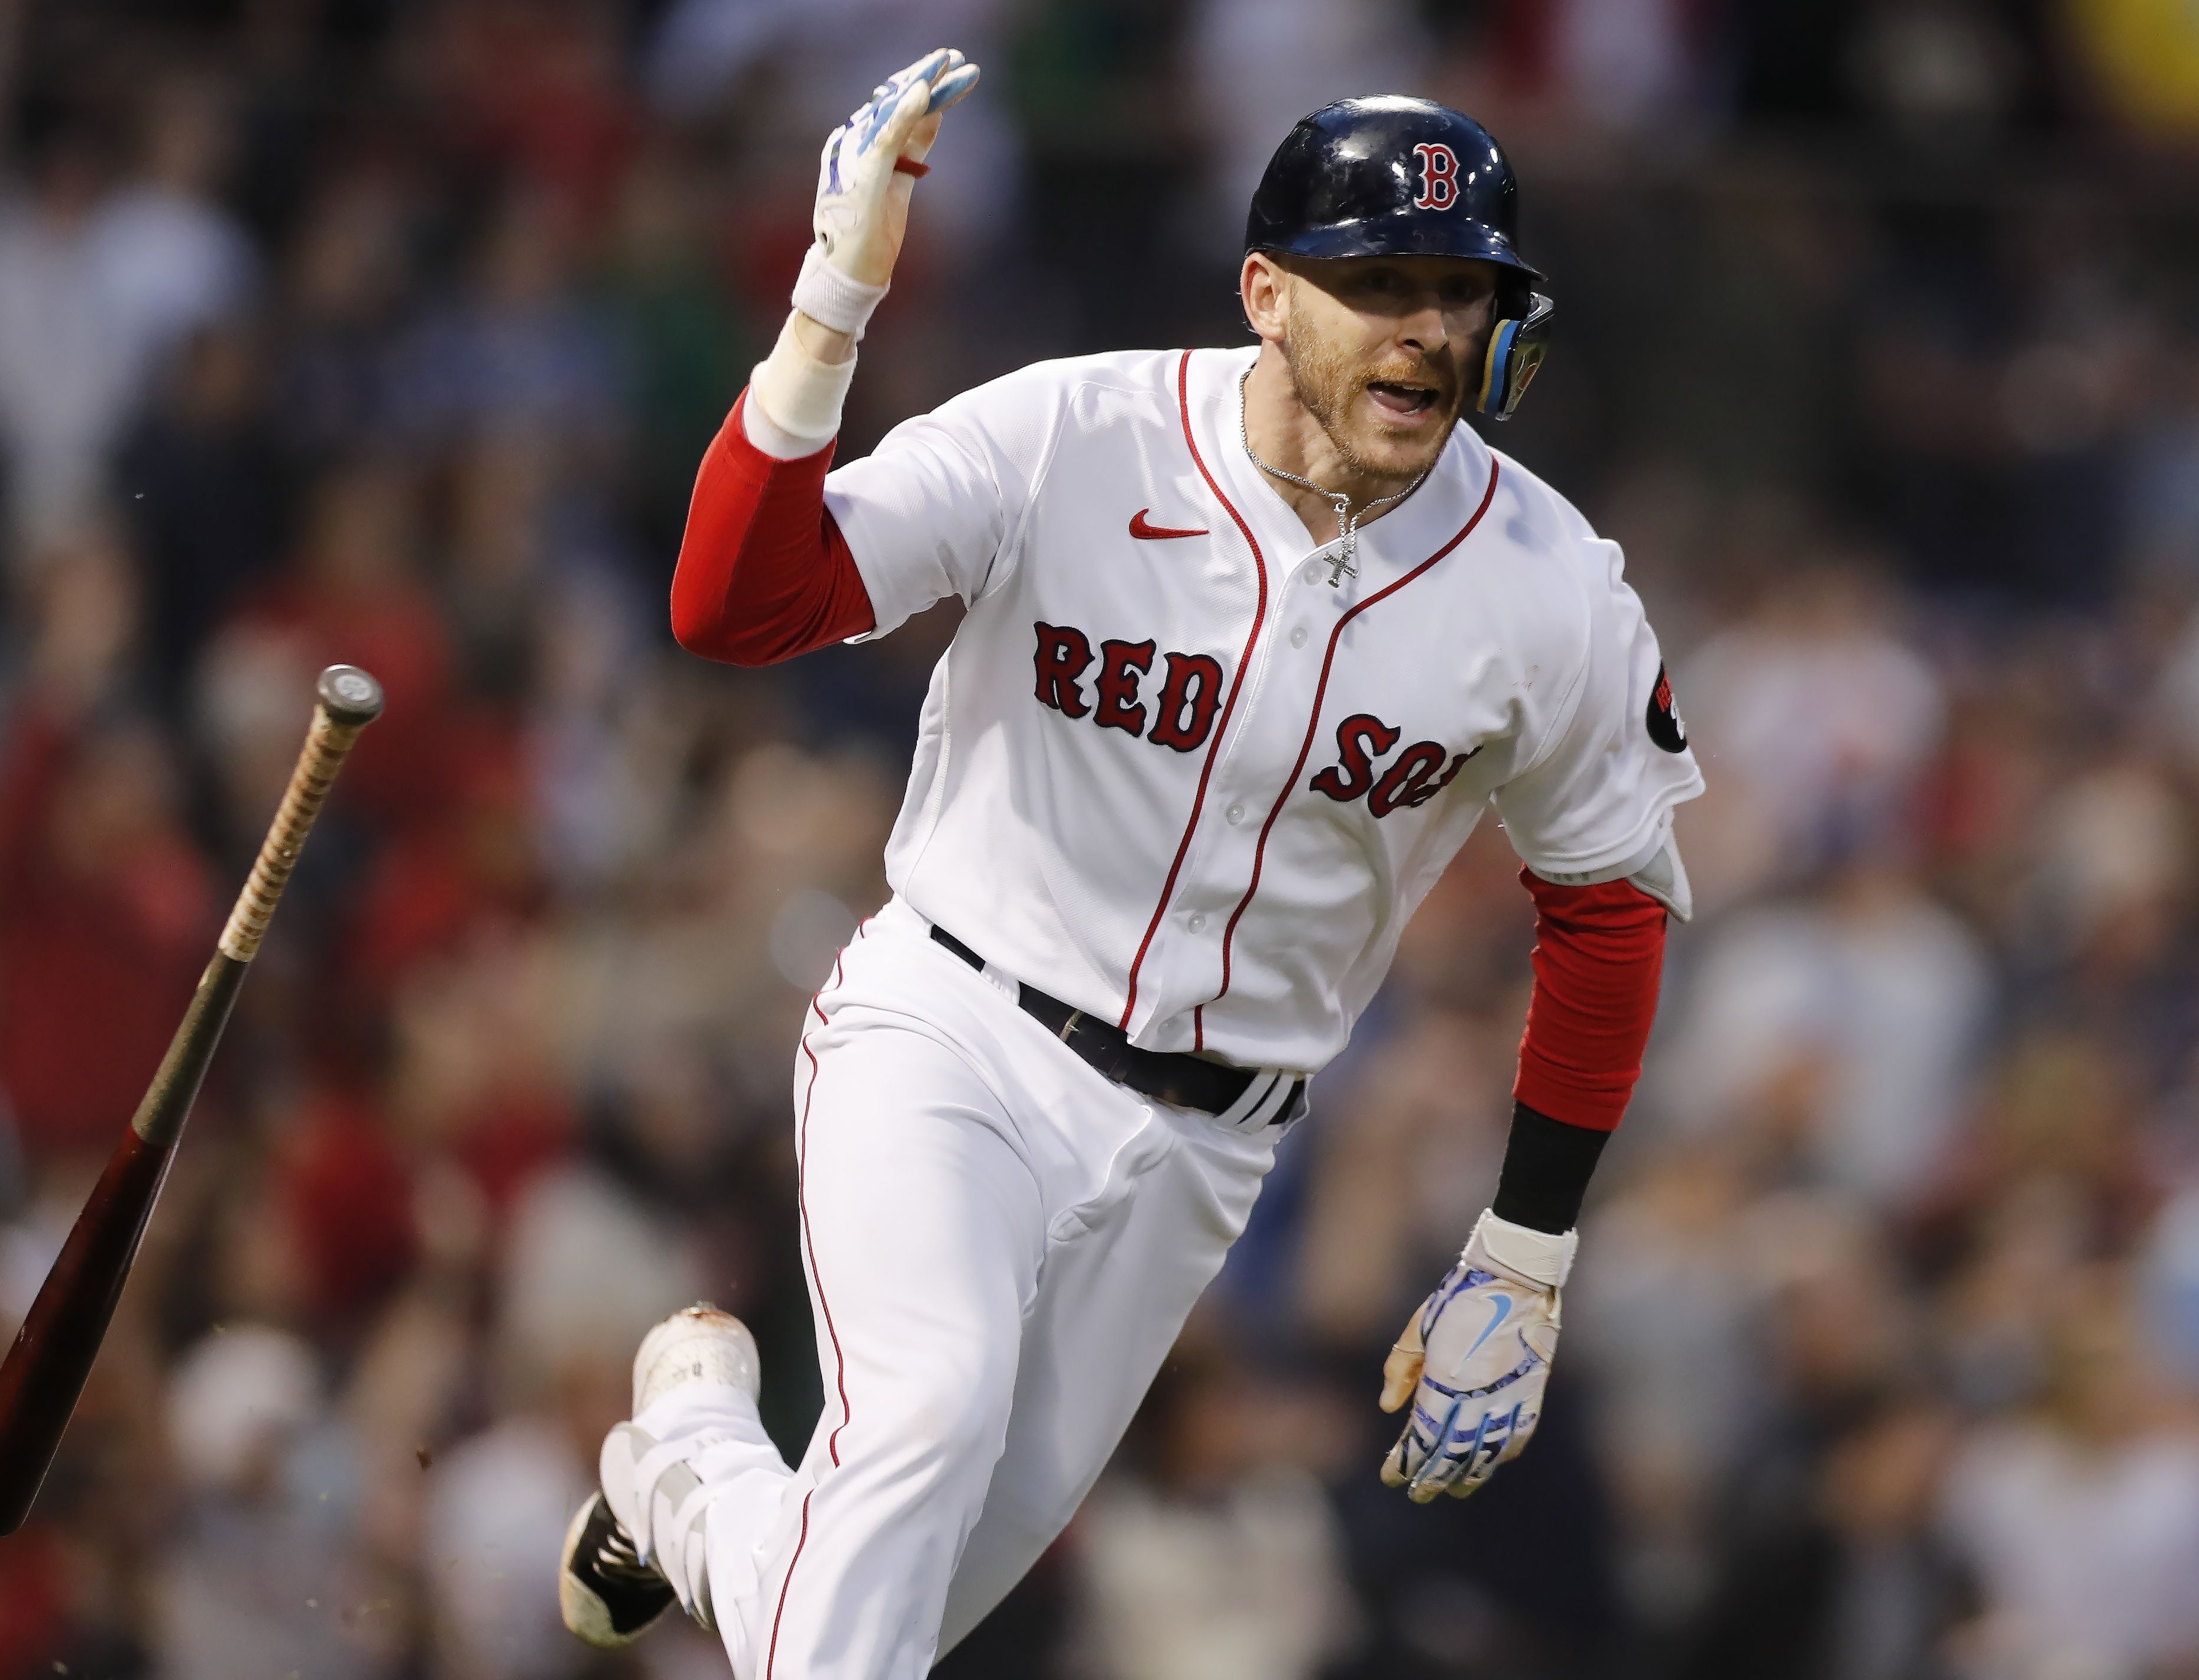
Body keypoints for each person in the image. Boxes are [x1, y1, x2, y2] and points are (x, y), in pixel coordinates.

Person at [560, 51, 1704, 1678]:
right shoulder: (1073, 435)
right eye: (1379, 281)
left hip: (1201, 1148)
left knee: (876, 1609)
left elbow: (1606, 914)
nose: (1429, 327)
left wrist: (1523, 1256)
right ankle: (702, 1477)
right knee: (920, 1438)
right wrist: (832, 306)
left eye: (1462, 289)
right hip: (955, 1030)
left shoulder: (1549, 586)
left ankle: (689, 1472)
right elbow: (736, 607)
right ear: (1265, 291)